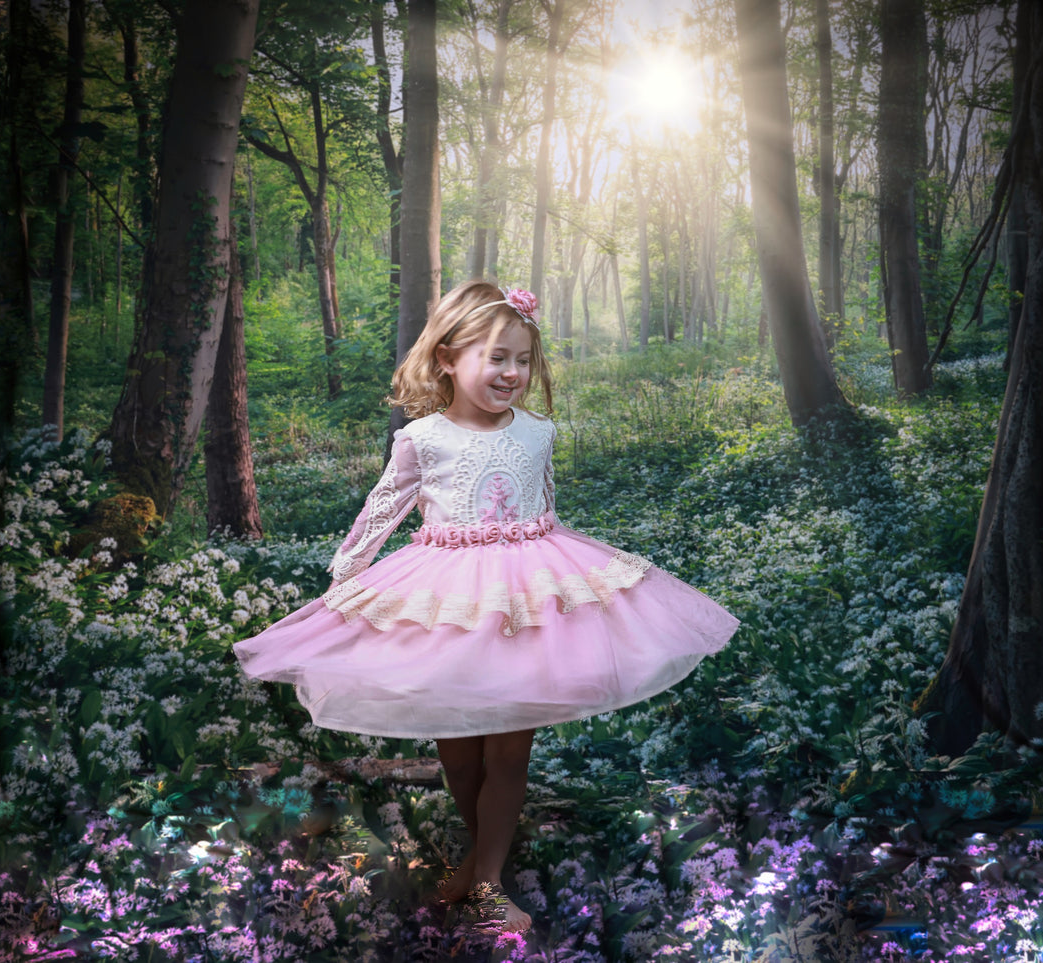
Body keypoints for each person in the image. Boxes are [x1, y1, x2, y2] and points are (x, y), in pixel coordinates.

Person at [233, 280, 739, 931]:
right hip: (446, 601)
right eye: (495, 357)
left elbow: (545, 508)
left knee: (507, 755)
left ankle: (489, 882)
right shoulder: (425, 438)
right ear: (447, 357)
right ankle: (477, 857)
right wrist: (345, 583)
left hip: (527, 600)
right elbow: (379, 512)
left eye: (522, 359)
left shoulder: (537, 431)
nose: (512, 372)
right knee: (460, 755)